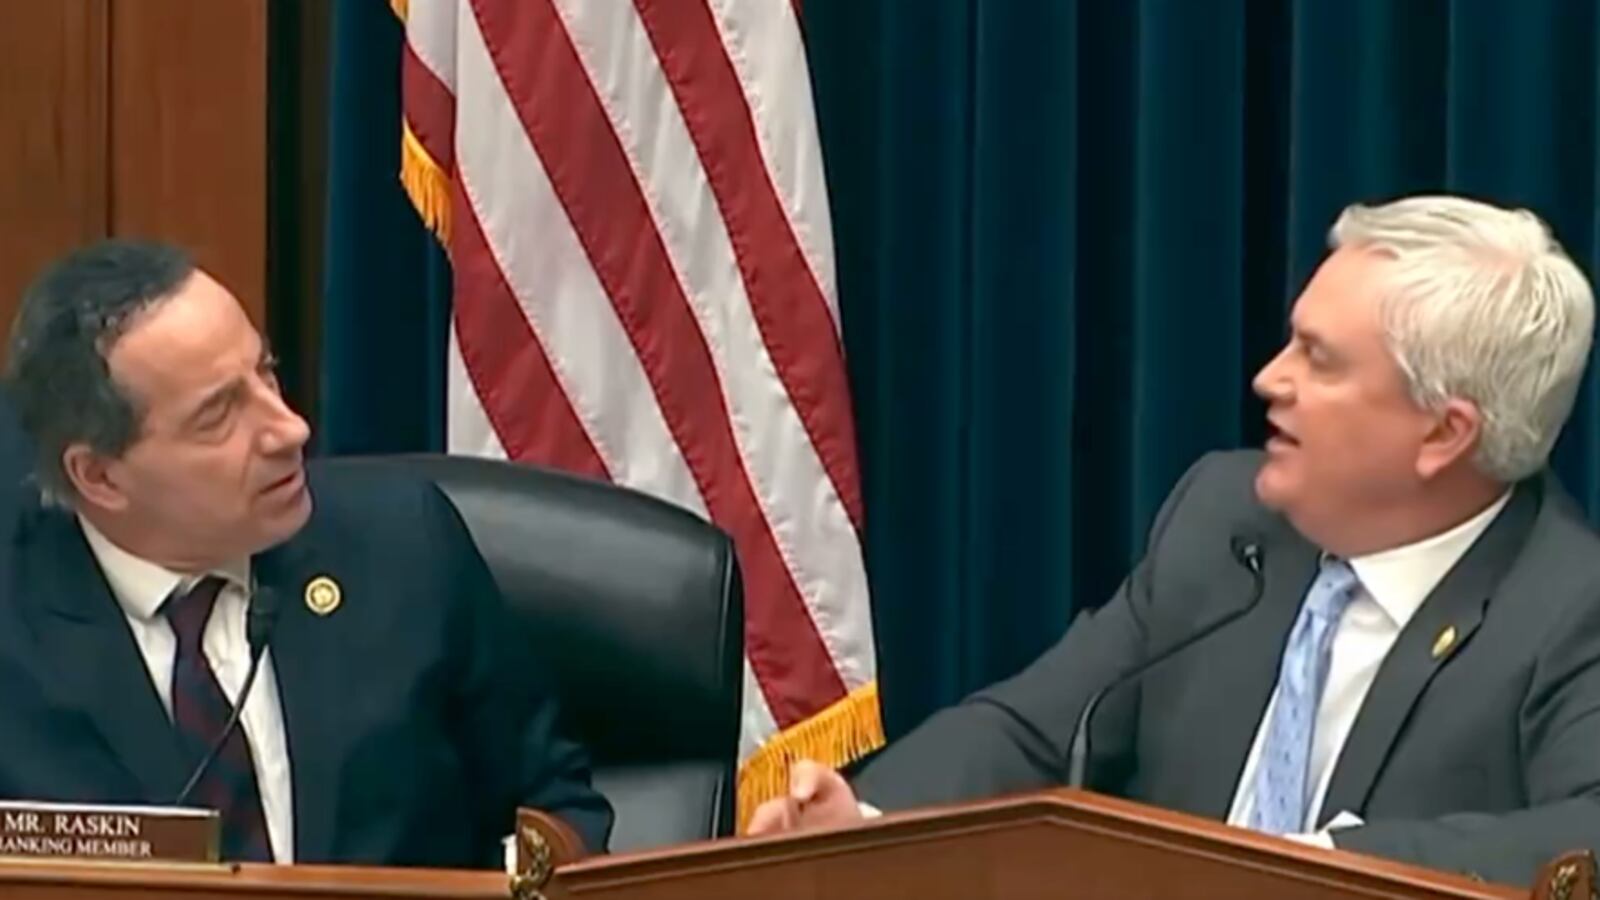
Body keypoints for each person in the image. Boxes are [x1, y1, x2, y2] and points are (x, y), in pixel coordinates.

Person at [749, 195, 1600, 886]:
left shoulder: (1566, 608)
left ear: (1444, 435)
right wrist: (861, 828)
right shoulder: (1229, 523)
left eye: (1320, 359)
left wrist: (1314, 873)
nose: (1271, 378)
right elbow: (1035, 732)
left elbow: (1584, 834)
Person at [0, 241, 613, 867]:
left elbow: (552, 805)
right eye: (218, 415)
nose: (290, 429)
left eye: (265, 372)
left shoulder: (405, 551)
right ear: (99, 477)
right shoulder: (17, 628)